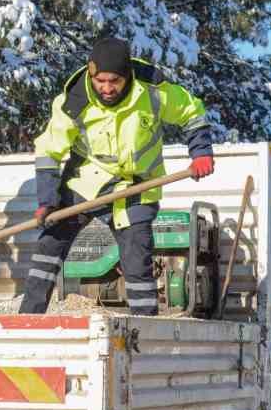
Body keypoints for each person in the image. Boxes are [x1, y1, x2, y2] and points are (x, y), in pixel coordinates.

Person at [18, 36, 215, 317]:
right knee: (49, 243)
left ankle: (143, 331)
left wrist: (201, 152)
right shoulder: (73, 101)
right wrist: (47, 200)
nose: (107, 88)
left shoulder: (153, 91)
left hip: (138, 186)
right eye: (101, 81)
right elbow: (48, 149)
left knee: (137, 261)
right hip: (86, 180)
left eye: (115, 81)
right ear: (90, 71)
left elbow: (192, 112)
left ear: (128, 76)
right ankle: (28, 319)